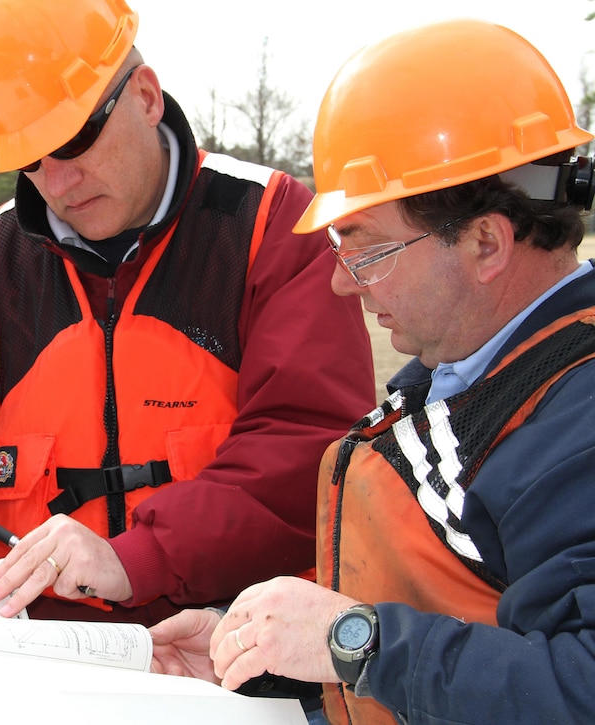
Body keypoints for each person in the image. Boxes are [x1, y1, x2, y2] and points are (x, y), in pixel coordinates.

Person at [0, 0, 375, 626]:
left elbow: (310, 441)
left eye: (73, 139)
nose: (58, 182)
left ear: (146, 96)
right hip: (32, 658)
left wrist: (144, 555)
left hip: (233, 654)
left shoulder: (268, 226)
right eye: (29, 158)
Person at [149, 18, 595, 724]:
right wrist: (278, 663)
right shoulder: (484, 378)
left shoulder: (575, 422)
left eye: (369, 251)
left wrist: (352, 642)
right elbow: (458, 627)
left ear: (485, 243)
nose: (341, 284)